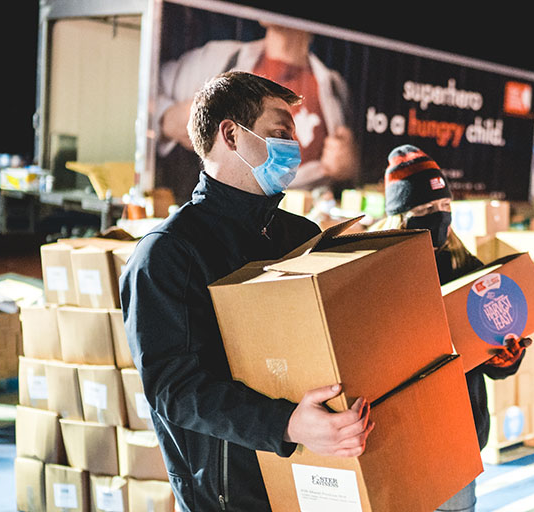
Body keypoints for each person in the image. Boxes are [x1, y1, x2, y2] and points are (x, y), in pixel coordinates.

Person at [120, 71, 373, 512]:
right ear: (231, 134)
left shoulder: (301, 235)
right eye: (280, 131)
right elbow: (173, 391)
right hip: (228, 498)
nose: (294, 147)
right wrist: (287, 424)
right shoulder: (169, 253)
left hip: (315, 481)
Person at [371, 144, 528, 512]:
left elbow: (489, 356)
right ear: (400, 214)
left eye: (444, 208)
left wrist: (506, 357)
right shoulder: (375, 272)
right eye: (425, 209)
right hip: (397, 439)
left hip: (457, 438)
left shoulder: (466, 267)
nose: (438, 217)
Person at [157, 21, 358, 202]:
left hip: (299, 223)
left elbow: (346, 178)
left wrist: (348, 167)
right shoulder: (218, 60)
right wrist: (167, 118)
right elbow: (143, 87)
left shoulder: (334, 86)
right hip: (223, 213)